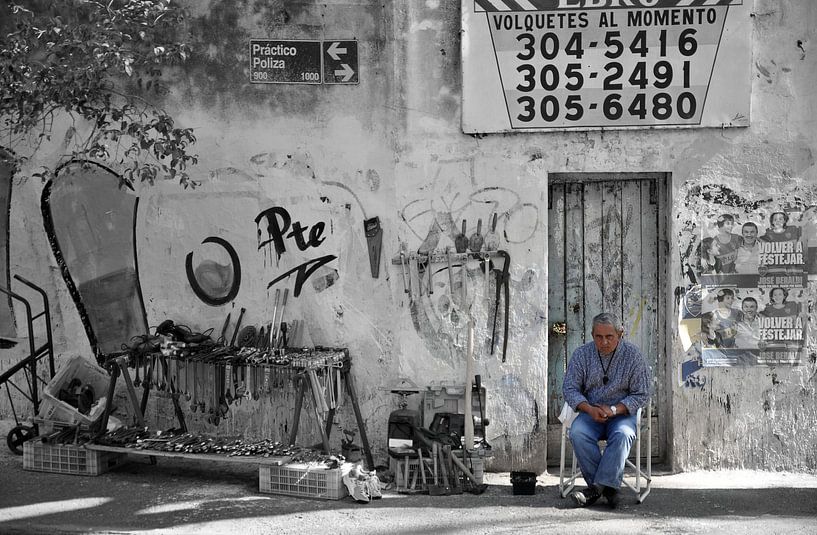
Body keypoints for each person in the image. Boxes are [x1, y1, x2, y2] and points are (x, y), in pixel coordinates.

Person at [562, 312, 651, 508]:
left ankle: (595, 490)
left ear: (620, 334)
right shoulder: (582, 355)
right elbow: (569, 388)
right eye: (598, 337)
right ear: (592, 335)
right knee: (577, 433)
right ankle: (609, 488)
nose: (604, 342)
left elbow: (642, 394)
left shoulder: (633, 356)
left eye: (609, 337)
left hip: (621, 414)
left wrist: (614, 409)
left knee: (623, 434)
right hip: (590, 413)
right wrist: (589, 409)